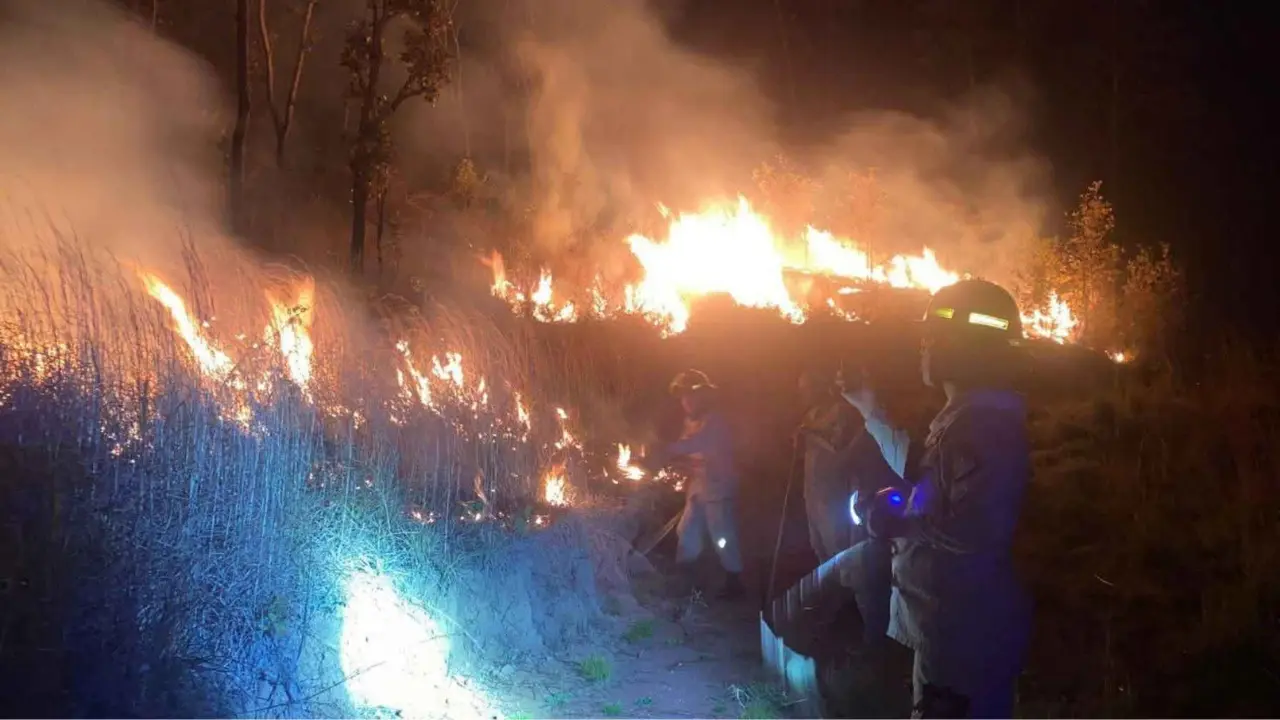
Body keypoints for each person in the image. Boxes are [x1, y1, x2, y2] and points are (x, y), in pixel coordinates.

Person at [841, 279, 1034, 719]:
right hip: (954, 624)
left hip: (962, 629)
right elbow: (938, 485)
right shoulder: (970, 417)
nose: (923, 347)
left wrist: (897, 522)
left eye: (933, 337)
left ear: (966, 347)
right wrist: (869, 410)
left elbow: (978, 528)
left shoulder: (983, 425)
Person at [647, 369, 744, 600]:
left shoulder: (715, 421)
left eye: (691, 395)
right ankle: (687, 582)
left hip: (719, 490)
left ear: (704, 396)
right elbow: (688, 450)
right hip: (699, 489)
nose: (687, 401)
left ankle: (734, 583)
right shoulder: (690, 421)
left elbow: (693, 444)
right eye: (683, 397)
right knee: (687, 532)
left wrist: (663, 450)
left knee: (722, 537)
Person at [794, 367, 862, 564]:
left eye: (806, 388)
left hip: (834, 490)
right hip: (812, 490)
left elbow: (838, 445)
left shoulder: (840, 411)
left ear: (819, 388)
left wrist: (809, 434)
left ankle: (846, 588)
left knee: (836, 545)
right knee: (817, 544)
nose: (803, 393)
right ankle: (829, 588)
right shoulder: (810, 415)